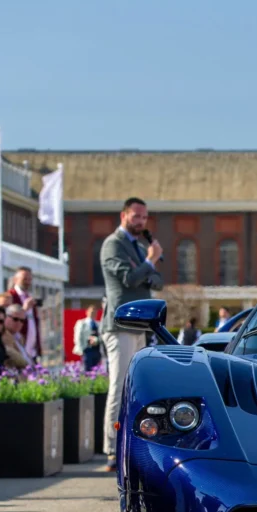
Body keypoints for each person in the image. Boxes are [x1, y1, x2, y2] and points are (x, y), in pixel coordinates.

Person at [100, 197, 164, 471]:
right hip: (120, 326)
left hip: (140, 326)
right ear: (123, 215)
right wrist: (149, 262)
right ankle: (112, 449)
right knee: (119, 386)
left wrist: (147, 266)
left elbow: (156, 282)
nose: (141, 221)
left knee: (137, 389)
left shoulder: (138, 247)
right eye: (136, 216)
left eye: (144, 217)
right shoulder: (113, 244)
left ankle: (134, 445)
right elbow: (129, 279)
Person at [7, 267, 41, 361]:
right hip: (18, 347)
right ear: (15, 279)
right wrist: (24, 309)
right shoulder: (10, 296)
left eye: (29, 279)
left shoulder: (29, 297)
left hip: (32, 350)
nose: (27, 282)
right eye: (24, 279)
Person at [73, 306, 103, 370]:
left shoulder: (99, 324)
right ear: (87, 312)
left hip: (97, 350)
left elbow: (102, 336)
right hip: (86, 350)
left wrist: (97, 340)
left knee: (96, 370)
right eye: (92, 312)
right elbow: (77, 336)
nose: (93, 314)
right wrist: (81, 349)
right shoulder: (82, 323)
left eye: (95, 312)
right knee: (87, 370)